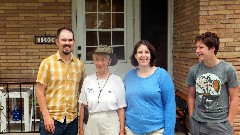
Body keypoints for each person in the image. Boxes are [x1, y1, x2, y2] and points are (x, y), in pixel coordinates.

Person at [186, 32, 239, 135]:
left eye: (201, 47)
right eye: (196, 47)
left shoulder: (228, 69)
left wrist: (230, 121)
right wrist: (191, 117)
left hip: (221, 125)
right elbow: (191, 96)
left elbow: (234, 98)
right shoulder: (194, 70)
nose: (197, 51)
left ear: (212, 48)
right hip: (198, 124)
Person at [36, 27, 86, 135]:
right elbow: (39, 92)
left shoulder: (79, 65)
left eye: (70, 40)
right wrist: (46, 116)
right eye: (64, 40)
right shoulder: (47, 63)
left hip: (72, 121)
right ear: (57, 41)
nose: (67, 43)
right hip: (52, 120)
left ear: (73, 42)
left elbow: (82, 91)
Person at [123, 40, 176, 135]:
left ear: (151, 55)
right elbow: (123, 104)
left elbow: (170, 105)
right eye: (140, 52)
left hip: (156, 130)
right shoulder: (128, 77)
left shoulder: (162, 75)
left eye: (147, 52)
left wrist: (169, 132)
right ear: (135, 56)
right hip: (131, 130)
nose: (143, 55)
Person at [78, 45, 127, 135]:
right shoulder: (88, 80)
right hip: (92, 121)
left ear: (109, 61)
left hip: (110, 121)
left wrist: (122, 131)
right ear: (94, 61)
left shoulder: (117, 80)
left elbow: (121, 108)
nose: (100, 63)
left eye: (103, 59)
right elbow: (82, 106)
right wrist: (81, 130)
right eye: (97, 59)